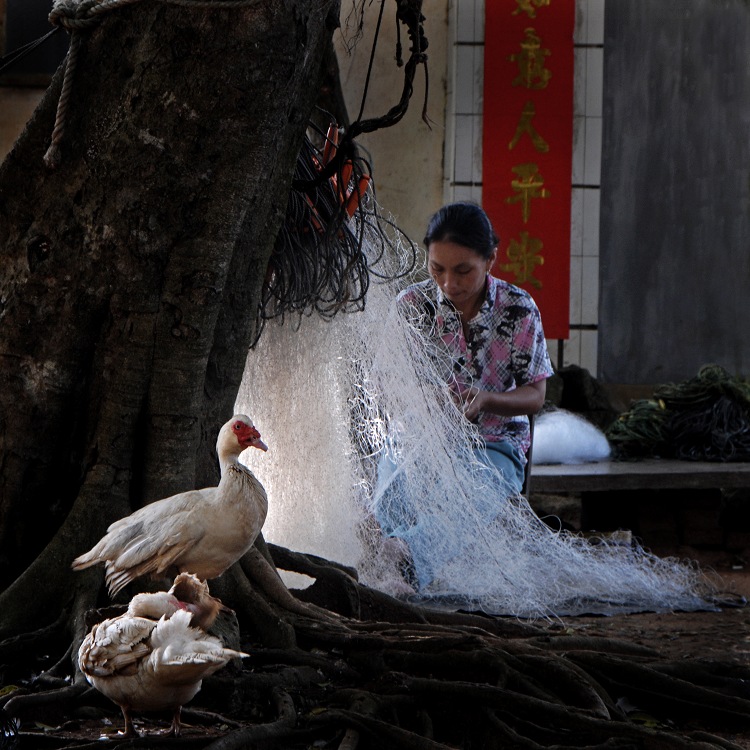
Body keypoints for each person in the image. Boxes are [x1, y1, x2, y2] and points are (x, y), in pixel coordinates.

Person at [372, 202, 554, 592]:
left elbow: (535, 396)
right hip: (417, 437)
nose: (449, 285)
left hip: (494, 443)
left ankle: (403, 559)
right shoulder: (411, 306)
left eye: (463, 271)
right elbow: (385, 384)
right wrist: (425, 397)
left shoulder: (519, 310)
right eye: (437, 269)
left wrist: (487, 399)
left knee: (468, 499)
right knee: (390, 501)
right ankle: (390, 560)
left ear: (490, 260)